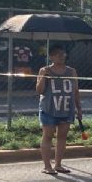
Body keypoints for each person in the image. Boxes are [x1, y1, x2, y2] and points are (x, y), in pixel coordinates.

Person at [36, 45, 82, 175]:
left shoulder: (71, 71)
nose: (61, 56)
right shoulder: (44, 70)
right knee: (48, 136)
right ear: (51, 57)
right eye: (57, 54)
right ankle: (47, 166)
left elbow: (75, 91)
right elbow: (39, 90)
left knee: (62, 136)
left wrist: (79, 108)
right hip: (49, 108)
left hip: (66, 108)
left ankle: (58, 165)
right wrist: (43, 77)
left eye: (63, 53)